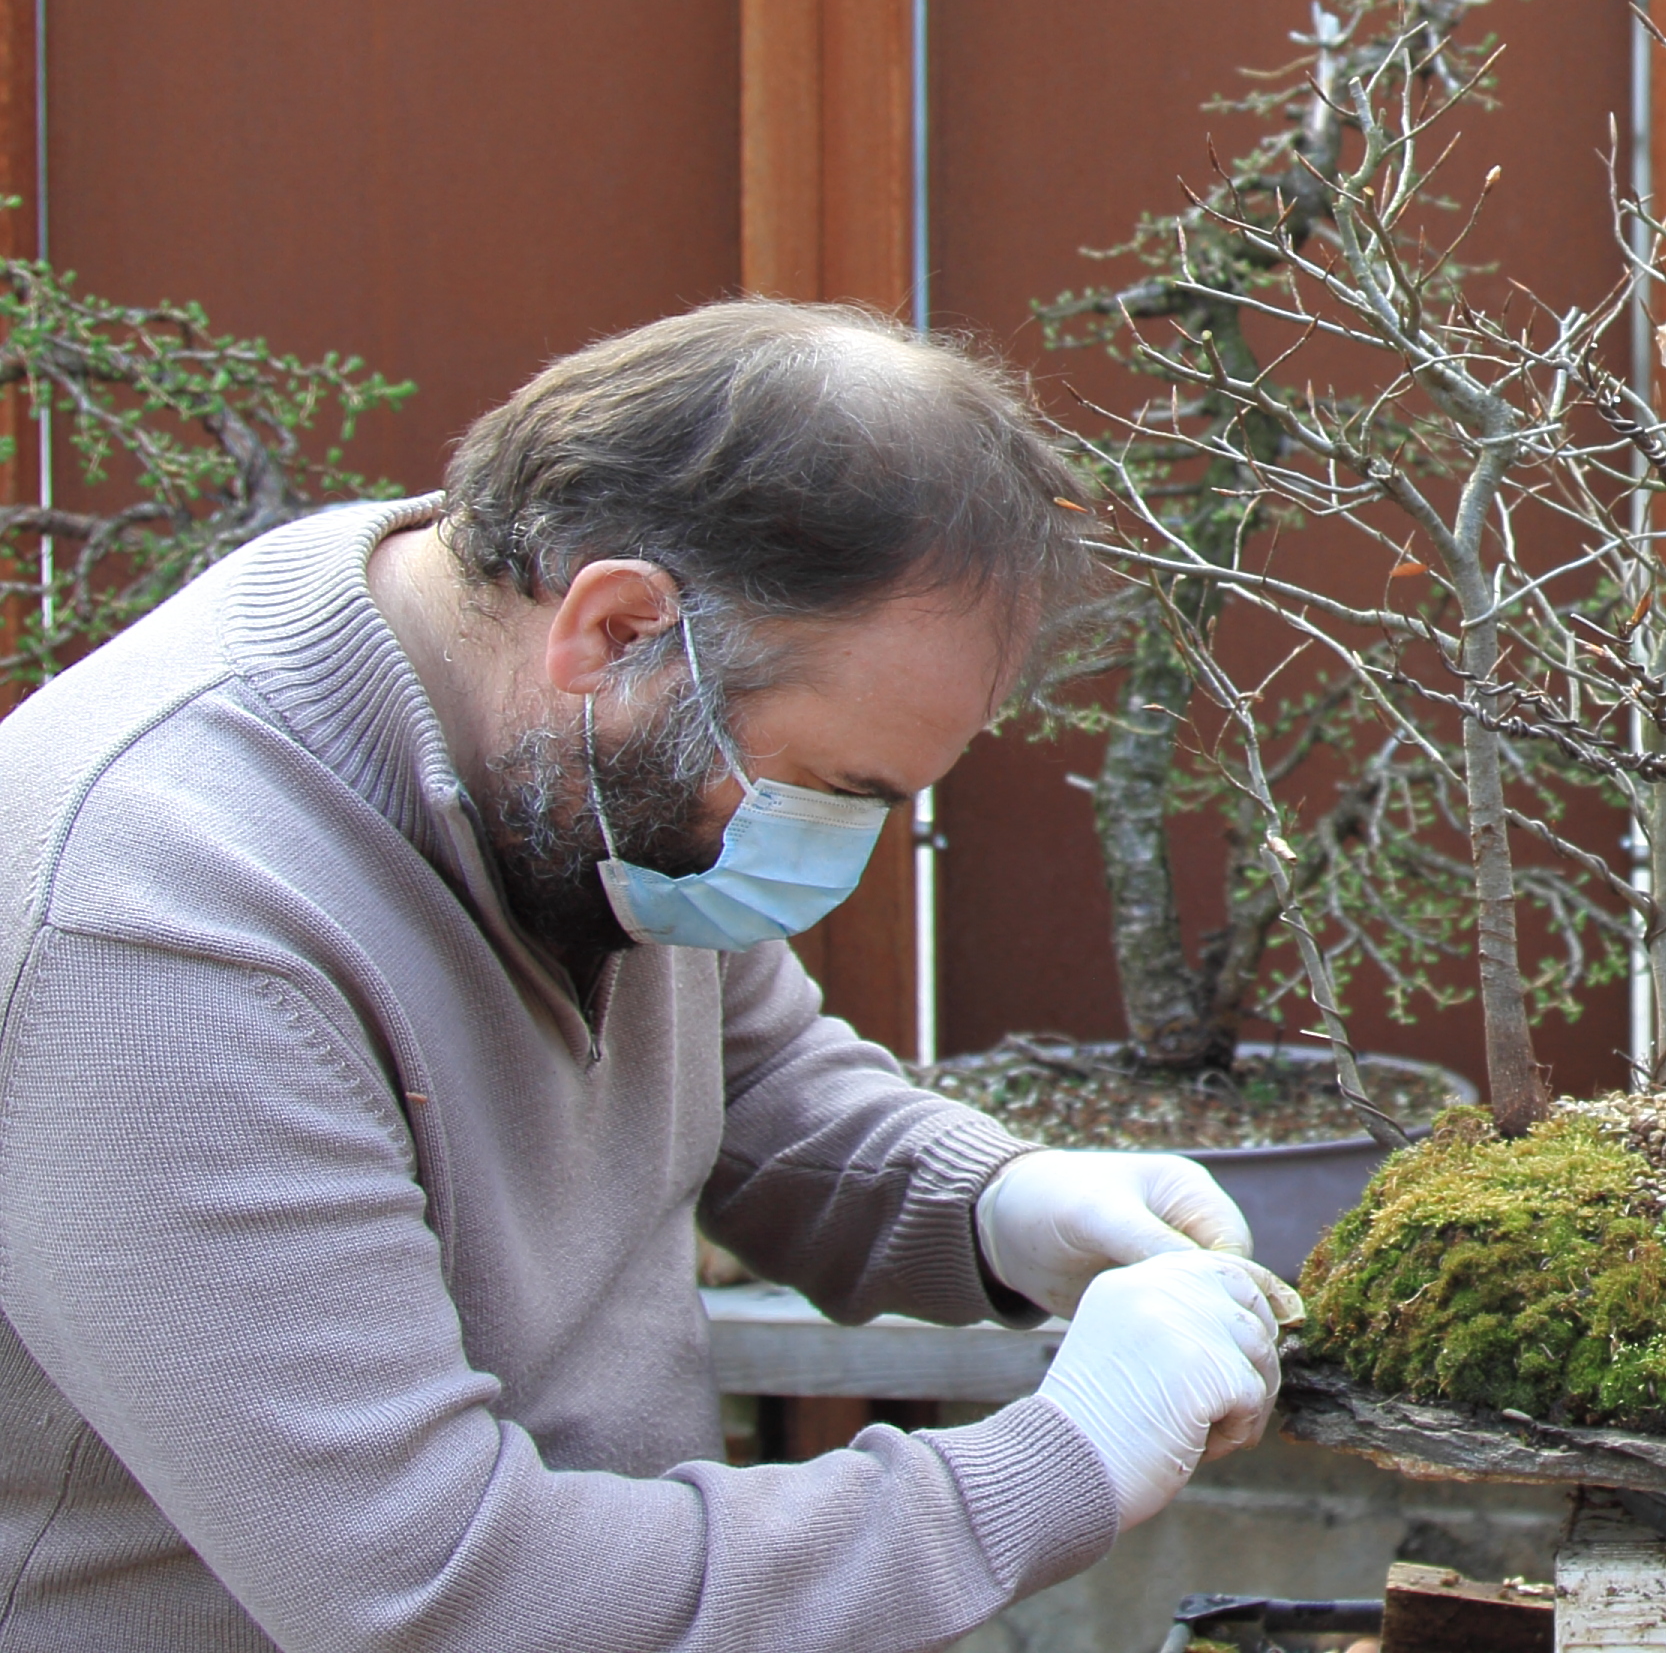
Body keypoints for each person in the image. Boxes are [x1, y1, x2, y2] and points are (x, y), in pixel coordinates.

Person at [0, 300, 1285, 1650]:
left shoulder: (558, 740)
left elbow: (758, 1078)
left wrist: (994, 1206)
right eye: (831, 787)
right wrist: (1060, 1462)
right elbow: (453, 1602)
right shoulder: (165, 940)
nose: (835, 851)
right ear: (615, 629)